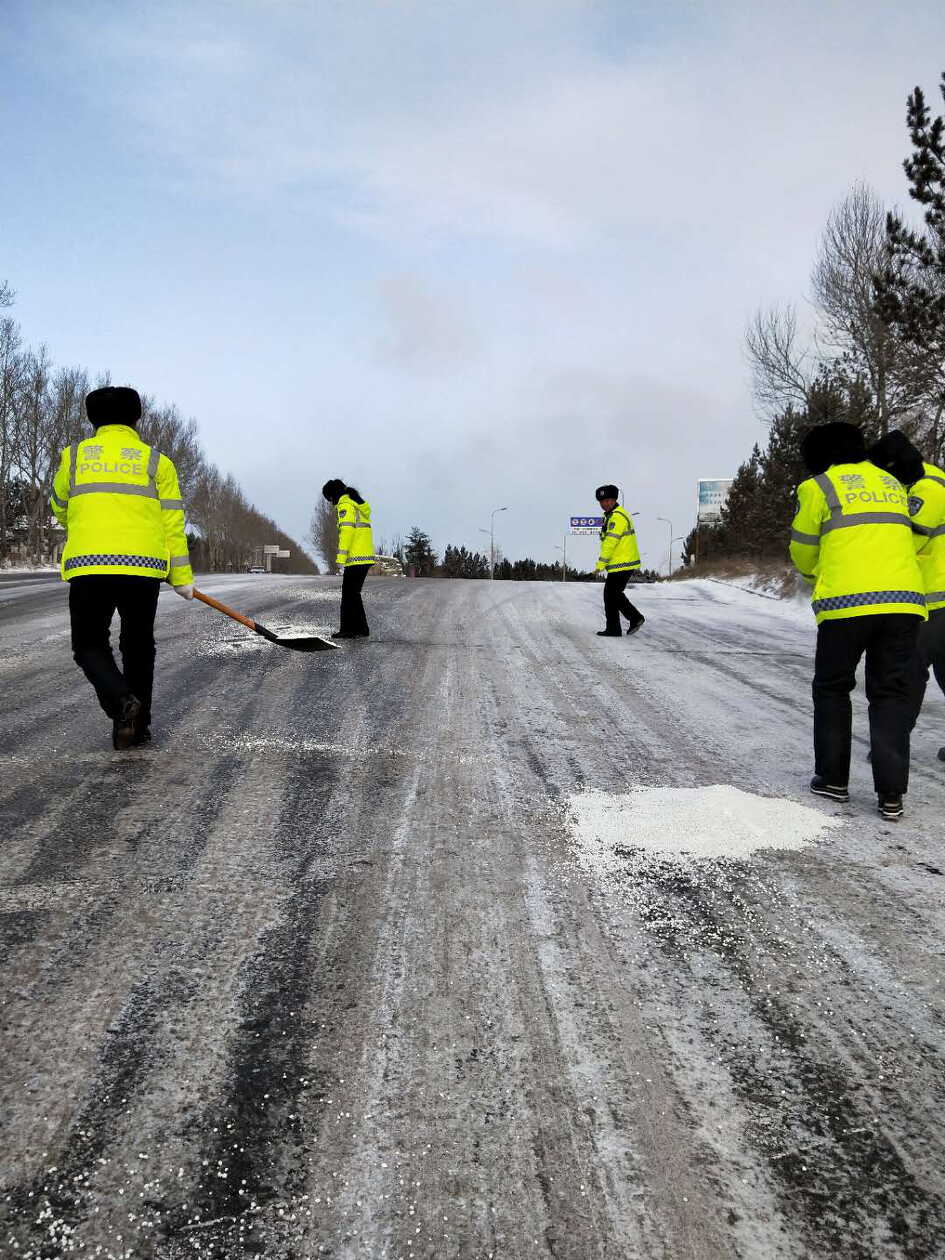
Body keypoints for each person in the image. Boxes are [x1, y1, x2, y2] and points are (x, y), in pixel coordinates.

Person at [789, 422, 926, 820]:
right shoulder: (891, 484)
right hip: (903, 603)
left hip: (846, 604)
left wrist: (818, 572)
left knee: (833, 688)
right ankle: (891, 794)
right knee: (891, 694)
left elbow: (802, 551)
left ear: (822, 455)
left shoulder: (818, 487)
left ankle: (833, 780)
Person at [49, 386, 194, 750]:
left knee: (89, 645)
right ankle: (136, 728)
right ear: (137, 417)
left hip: (89, 565)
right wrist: (181, 578)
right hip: (142, 569)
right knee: (138, 646)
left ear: (91, 418)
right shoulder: (157, 462)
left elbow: (58, 506)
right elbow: (172, 524)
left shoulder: (76, 456)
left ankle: (121, 703)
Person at [869, 430, 945, 755]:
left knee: (908, 675)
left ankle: (892, 745)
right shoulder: (915, 484)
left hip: (932, 599)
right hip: (930, 597)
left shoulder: (928, 487)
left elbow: (908, 542)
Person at [322, 479, 375, 638]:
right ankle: (361, 629)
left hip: (355, 558)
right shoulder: (356, 503)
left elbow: (347, 532)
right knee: (354, 593)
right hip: (364, 557)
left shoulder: (345, 505)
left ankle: (348, 630)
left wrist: (341, 557)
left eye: (330, 499)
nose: (331, 503)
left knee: (348, 594)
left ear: (333, 496)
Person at [594, 484, 645, 637]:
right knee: (611, 594)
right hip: (619, 563)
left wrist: (600, 564)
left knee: (613, 594)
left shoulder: (617, 516)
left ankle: (635, 618)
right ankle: (614, 628)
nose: (605, 504)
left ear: (615, 499)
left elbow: (610, 542)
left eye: (608, 500)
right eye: (602, 501)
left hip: (623, 562)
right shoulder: (609, 516)